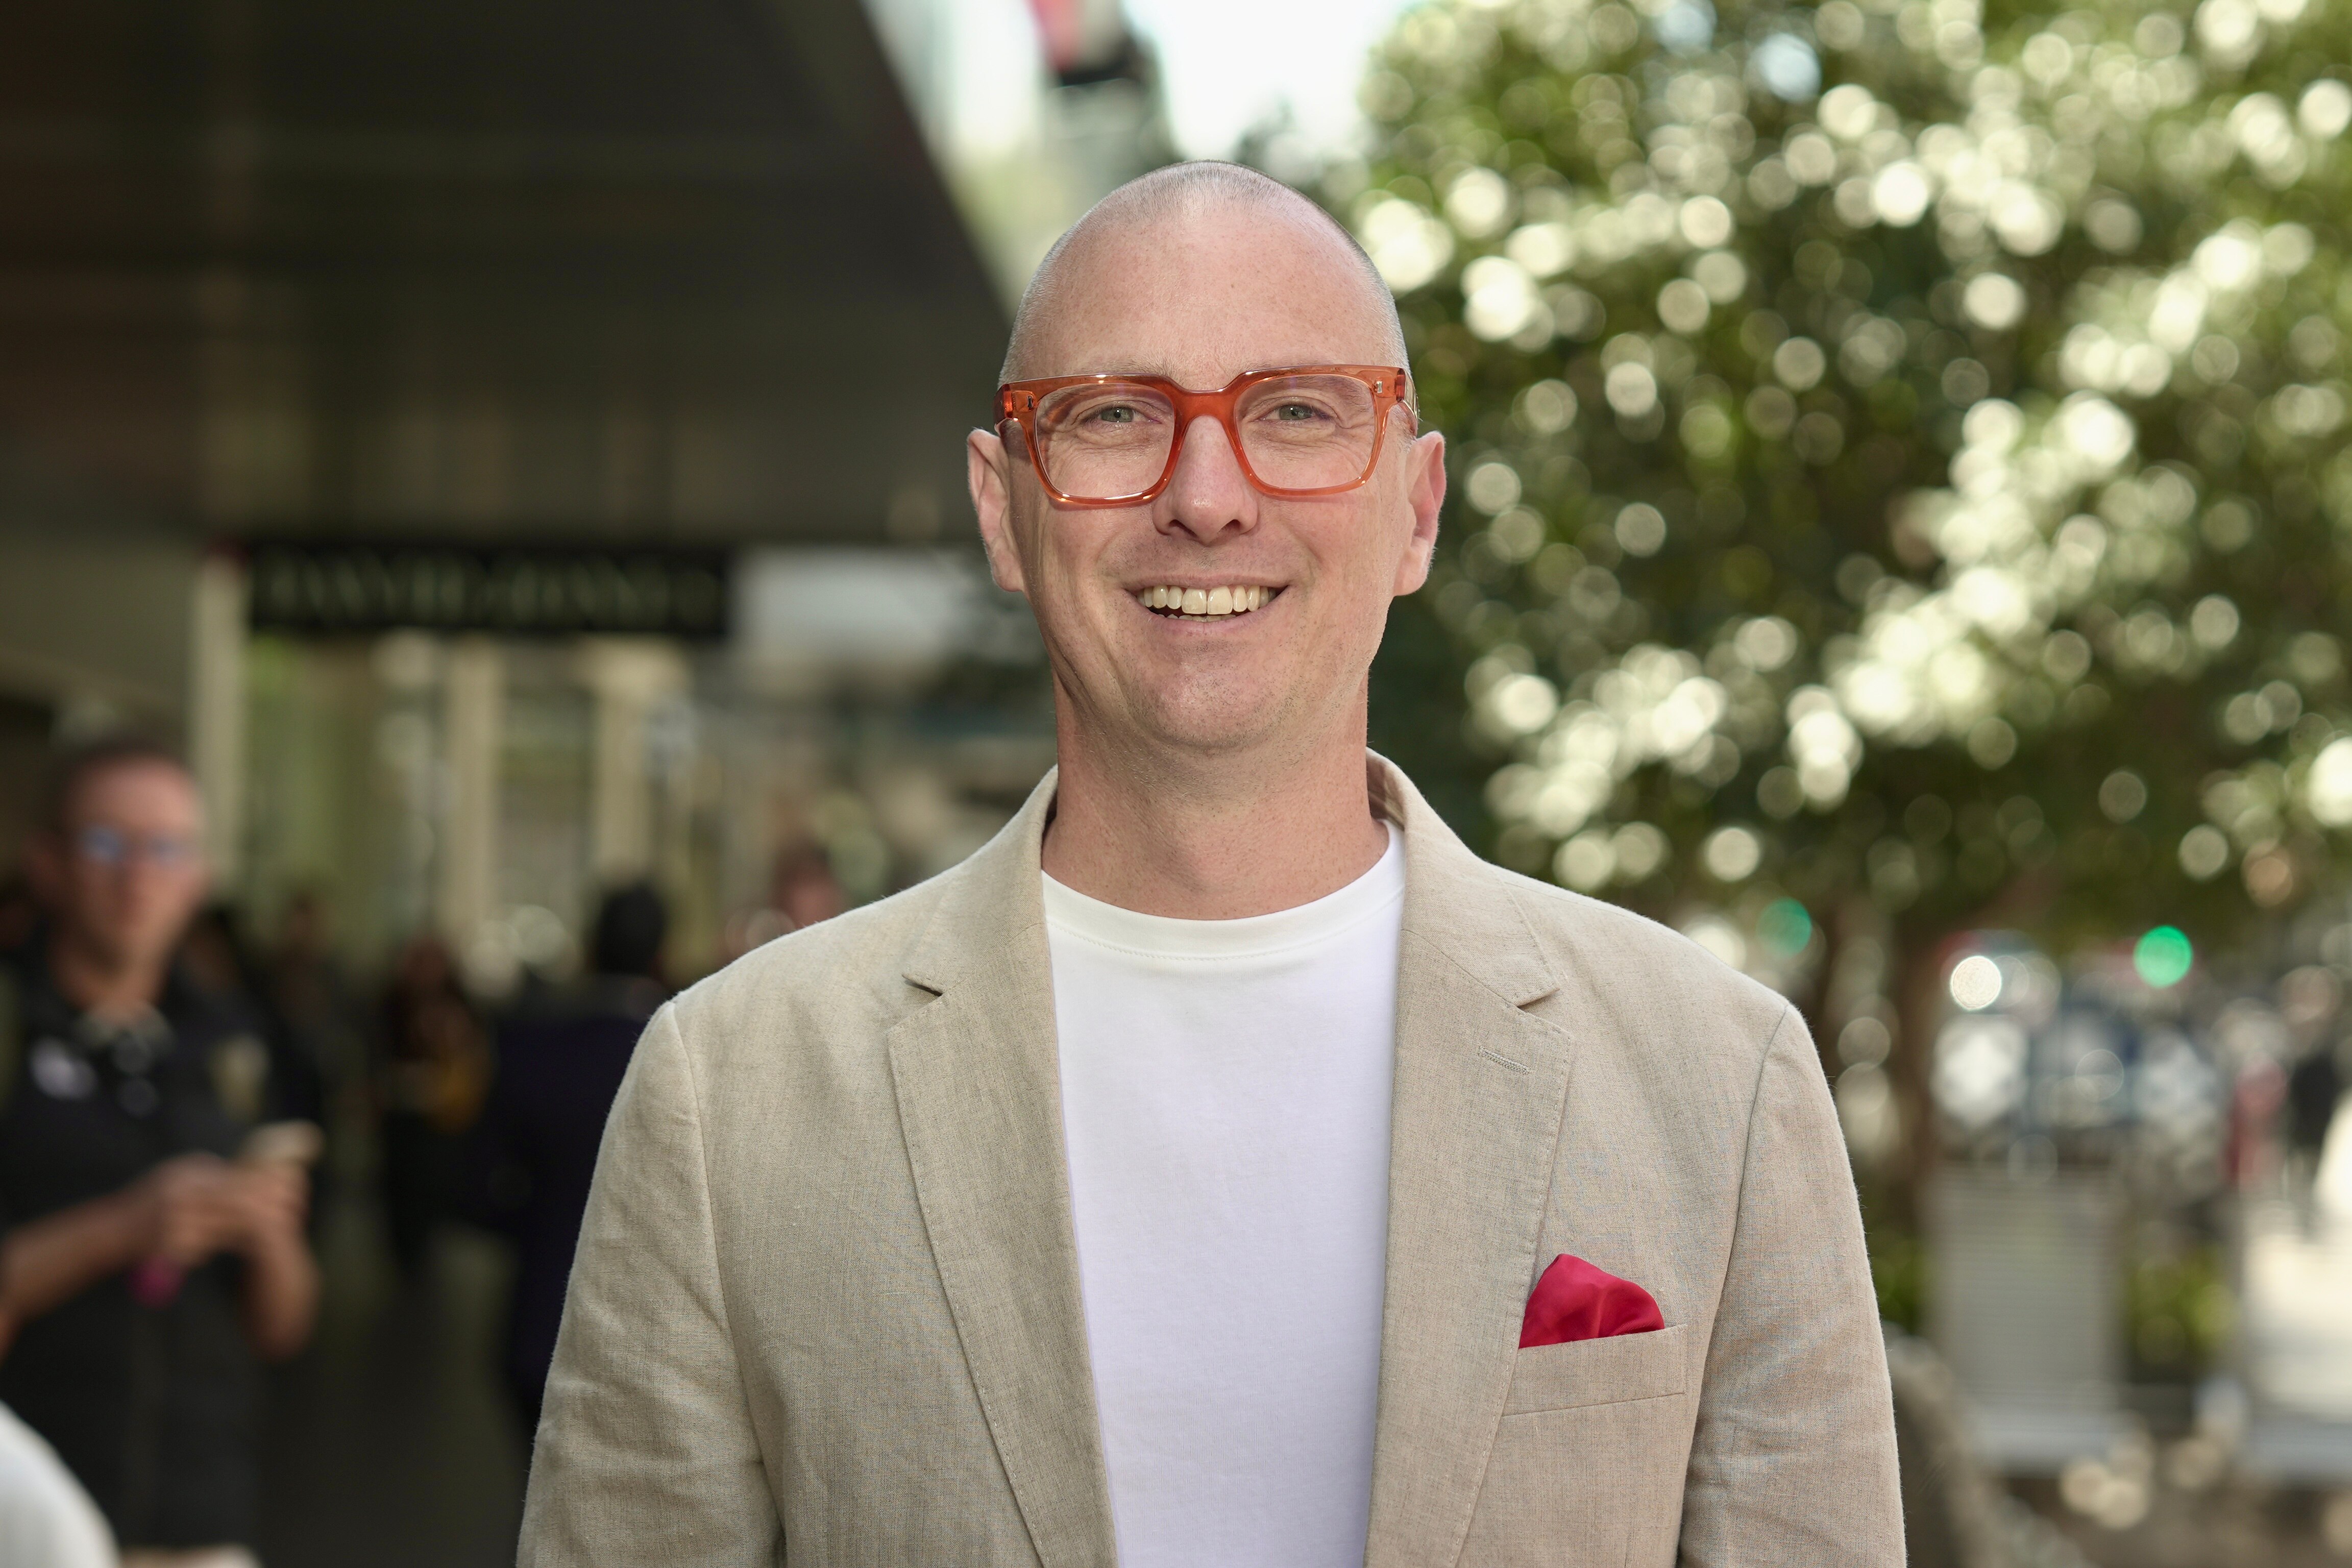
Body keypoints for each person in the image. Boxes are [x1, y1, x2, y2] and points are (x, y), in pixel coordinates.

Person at [521, 163, 1900, 1564]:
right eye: (1115, 417)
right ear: (1005, 510)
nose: (1207, 495)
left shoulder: (1716, 1081)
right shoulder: (729, 1094)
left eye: (1296, 412)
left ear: (1416, 509)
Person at [0, 735, 318, 1564]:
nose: (138, 874)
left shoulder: (232, 1046)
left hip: (202, 1521)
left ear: (200, 875)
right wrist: (125, 1226)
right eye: (106, 842)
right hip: (30, 1518)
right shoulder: (12, 1035)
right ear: (48, 862)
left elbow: (282, 1326)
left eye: (166, 846)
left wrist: (269, 1233)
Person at [468, 882, 670, 1435]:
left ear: (588, 947)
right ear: (661, 954)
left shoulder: (531, 1051)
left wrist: (541, 1225)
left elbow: (479, 1191)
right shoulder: (683, 1064)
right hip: (651, 1343)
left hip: (540, 1327)